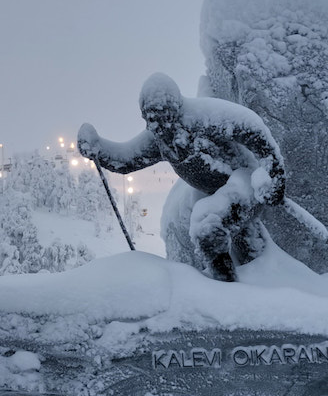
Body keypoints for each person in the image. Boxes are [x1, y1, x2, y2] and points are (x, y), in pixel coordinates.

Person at [78, 72, 285, 282]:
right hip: (216, 194)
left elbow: (253, 129)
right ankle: (259, 281)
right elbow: (126, 160)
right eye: (151, 118)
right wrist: (98, 149)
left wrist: (275, 176)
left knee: (208, 228)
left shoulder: (203, 117)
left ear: (175, 109)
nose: (159, 126)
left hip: (243, 181)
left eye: (163, 116)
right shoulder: (158, 141)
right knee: (248, 248)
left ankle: (227, 291)